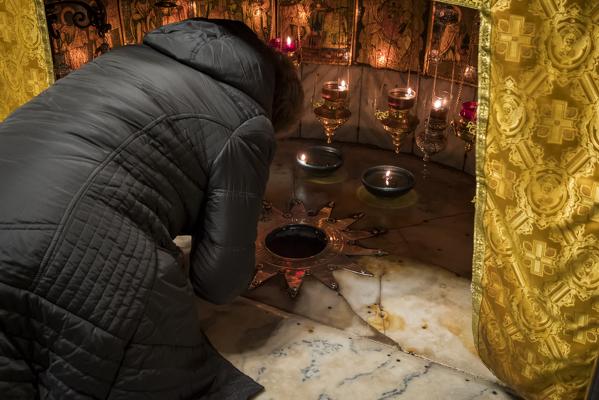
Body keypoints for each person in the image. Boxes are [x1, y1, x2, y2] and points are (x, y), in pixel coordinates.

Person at [0, 18, 303, 399]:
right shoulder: (247, 118)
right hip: (65, 240)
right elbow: (220, 283)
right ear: (274, 106)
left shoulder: (122, 57)